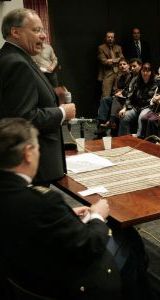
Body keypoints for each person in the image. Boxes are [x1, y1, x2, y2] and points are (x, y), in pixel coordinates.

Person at [0, 118, 152, 299]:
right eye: (38, 147)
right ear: (28, 154)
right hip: (67, 284)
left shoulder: (17, 195)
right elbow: (89, 245)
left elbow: (25, 219)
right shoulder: (43, 201)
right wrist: (97, 216)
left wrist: (65, 215)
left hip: (21, 278)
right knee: (128, 237)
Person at [0, 8, 76, 185]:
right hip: (31, 165)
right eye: (36, 30)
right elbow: (23, 119)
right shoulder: (17, 63)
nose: (43, 36)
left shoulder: (13, 57)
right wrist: (62, 112)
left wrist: (53, 97)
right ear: (15, 32)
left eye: (43, 30)